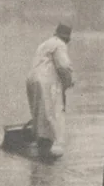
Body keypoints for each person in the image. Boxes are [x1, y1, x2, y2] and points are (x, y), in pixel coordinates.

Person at [26, 24, 74, 158]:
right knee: (51, 113)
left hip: (32, 79)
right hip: (46, 81)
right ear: (66, 38)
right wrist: (69, 82)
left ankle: (39, 144)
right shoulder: (60, 45)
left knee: (39, 114)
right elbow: (63, 66)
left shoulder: (44, 44)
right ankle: (45, 151)